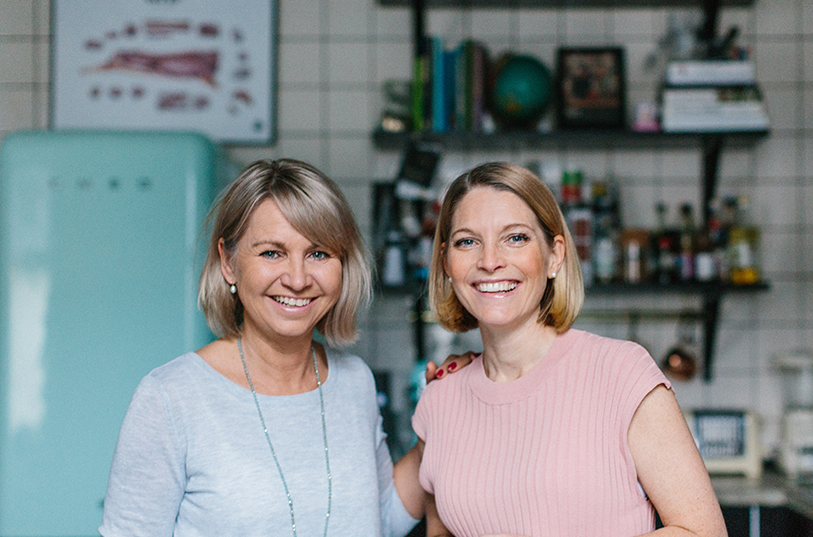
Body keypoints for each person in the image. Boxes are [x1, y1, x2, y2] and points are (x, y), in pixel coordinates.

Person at [99, 159, 428, 536]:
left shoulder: (355, 382)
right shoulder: (170, 398)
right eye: (272, 253)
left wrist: (440, 424)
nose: (298, 279)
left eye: (318, 253)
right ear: (228, 262)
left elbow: (379, 519)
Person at [412, 162, 727, 537]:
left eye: (515, 238)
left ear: (554, 255)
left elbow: (702, 531)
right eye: (468, 241)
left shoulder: (621, 372)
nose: (490, 261)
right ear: (447, 262)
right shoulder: (440, 399)